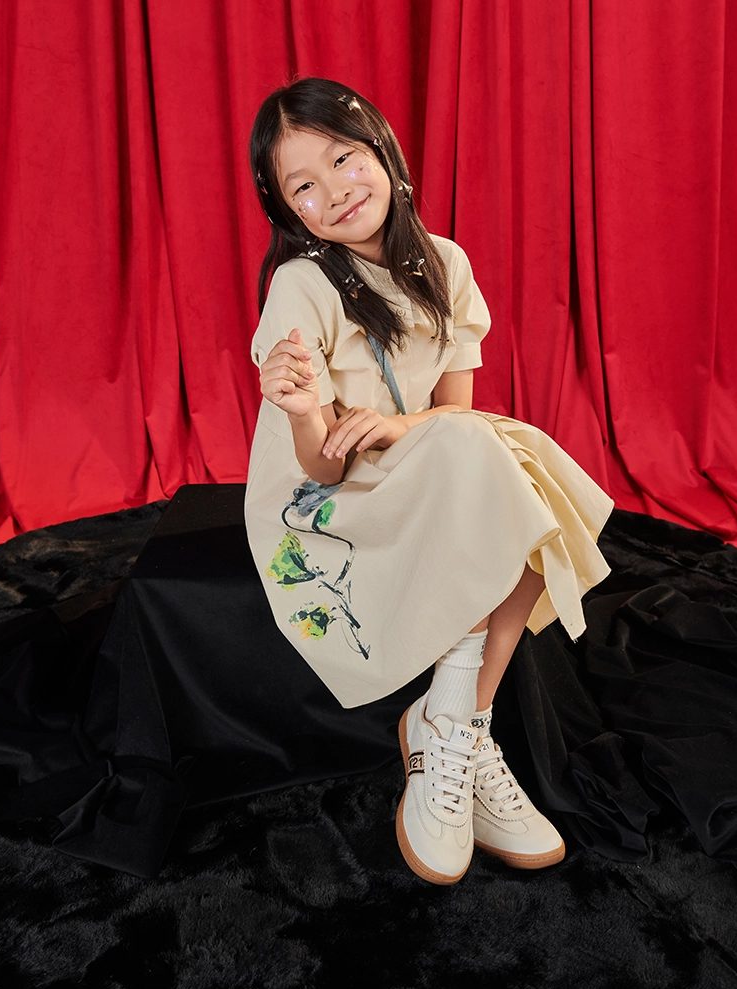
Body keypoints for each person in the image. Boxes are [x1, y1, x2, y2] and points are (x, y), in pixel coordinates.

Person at [245, 78, 614, 885]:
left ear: (383, 150)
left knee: (506, 470)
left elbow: (455, 412)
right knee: (483, 460)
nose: (333, 191)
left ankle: (452, 723)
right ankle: (459, 729)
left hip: (419, 461)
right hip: (329, 494)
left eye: (344, 159)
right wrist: (306, 412)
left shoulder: (445, 263)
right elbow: (321, 465)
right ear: (289, 212)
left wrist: (406, 430)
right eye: (302, 186)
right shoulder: (301, 285)